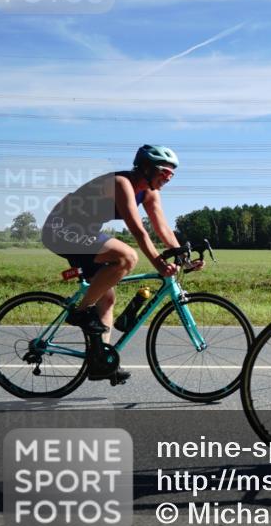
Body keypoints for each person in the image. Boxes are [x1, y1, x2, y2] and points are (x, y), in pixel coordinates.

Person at [41, 145, 197, 382]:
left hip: (84, 232)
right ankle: (81, 313)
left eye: (171, 174)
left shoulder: (150, 192)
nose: (168, 178)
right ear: (145, 168)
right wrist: (159, 264)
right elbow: (138, 231)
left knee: (107, 298)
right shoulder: (121, 183)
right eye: (164, 172)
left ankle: (100, 361)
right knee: (127, 257)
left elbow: (162, 228)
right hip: (61, 229)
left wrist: (183, 259)